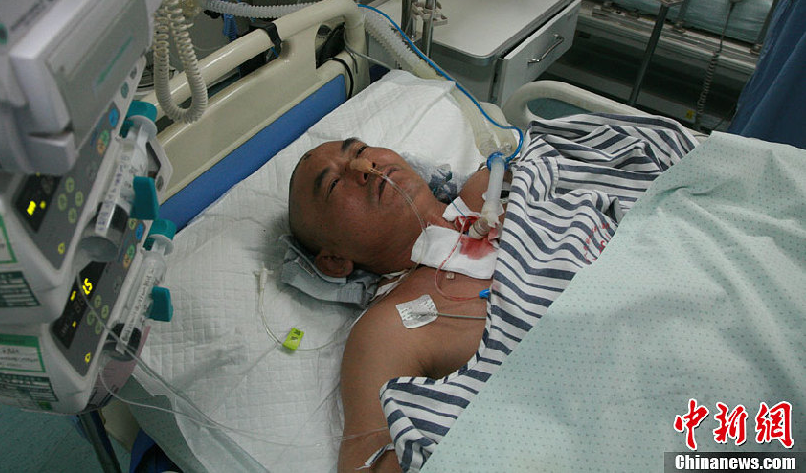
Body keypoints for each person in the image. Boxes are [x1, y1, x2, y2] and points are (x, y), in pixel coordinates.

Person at [288, 116, 698, 472]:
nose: (364, 167)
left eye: (359, 150)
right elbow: (367, 461)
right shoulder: (388, 329)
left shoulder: (492, 183)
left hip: (684, 281)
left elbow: (638, 163)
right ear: (334, 261)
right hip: (645, 403)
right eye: (334, 184)